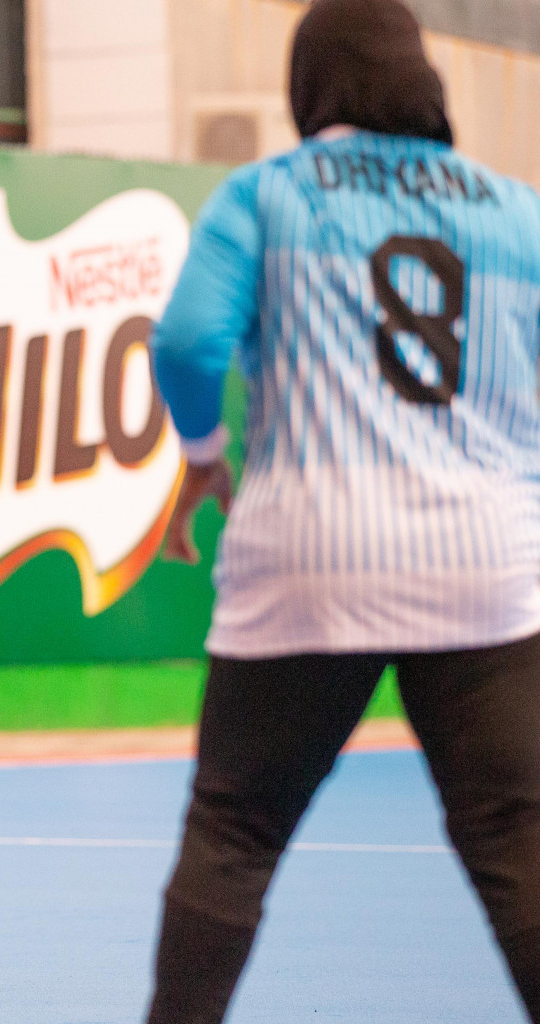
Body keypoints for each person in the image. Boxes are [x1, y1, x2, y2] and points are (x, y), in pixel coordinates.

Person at [145, 2, 540, 1021]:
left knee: (233, 833)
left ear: (308, 82)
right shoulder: (514, 209)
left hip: (308, 553)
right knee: (515, 836)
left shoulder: (268, 194)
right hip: (483, 563)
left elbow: (188, 342)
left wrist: (203, 457)